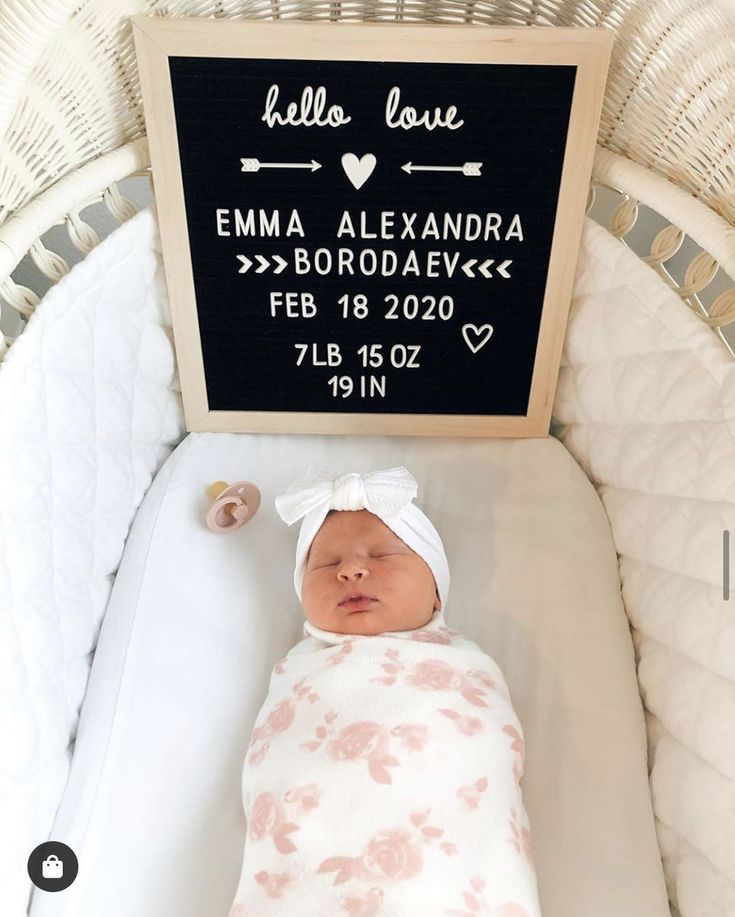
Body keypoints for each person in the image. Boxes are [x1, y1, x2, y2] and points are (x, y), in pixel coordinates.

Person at [227, 465, 542, 917]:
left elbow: (483, 751)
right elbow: (282, 759)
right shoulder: (300, 668)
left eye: (382, 555)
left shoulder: (462, 664)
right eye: (328, 564)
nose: (352, 571)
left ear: (436, 591)